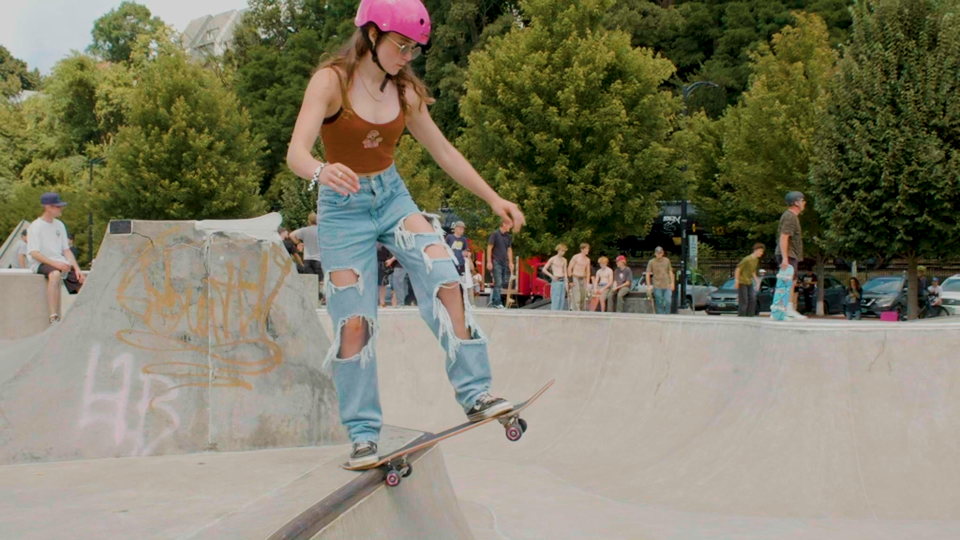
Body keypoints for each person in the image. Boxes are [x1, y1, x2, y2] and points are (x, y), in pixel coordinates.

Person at [285, 0, 524, 468]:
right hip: (342, 209)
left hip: (392, 198)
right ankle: (362, 433)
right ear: (372, 34)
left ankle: (475, 392)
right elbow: (295, 150)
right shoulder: (331, 81)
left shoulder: (406, 92)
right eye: (401, 46)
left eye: (414, 50)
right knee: (354, 322)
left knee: (444, 273)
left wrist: (494, 197)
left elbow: (444, 152)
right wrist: (320, 171)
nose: (406, 57)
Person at [27, 192, 85, 324]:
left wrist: (77, 269)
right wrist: (55, 264)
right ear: (48, 207)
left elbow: (66, 250)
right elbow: (34, 253)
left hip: (60, 261)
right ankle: (53, 315)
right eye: (58, 207)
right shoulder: (35, 227)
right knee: (54, 274)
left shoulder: (59, 225)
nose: (61, 209)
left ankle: (85, 314)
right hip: (41, 262)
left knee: (82, 282)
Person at [775, 191, 807, 320]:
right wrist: (785, 258)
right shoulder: (790, 217)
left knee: (791, 281)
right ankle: (785, 310)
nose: (804, 203)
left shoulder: (791, 216)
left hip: (790, 254)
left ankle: (783, 310)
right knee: (788, 282)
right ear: (796, 202)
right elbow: (784, 237)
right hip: (788, 254)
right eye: (802, 200)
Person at [486, 220, 513, 309]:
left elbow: (509, 250)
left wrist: (511, 262)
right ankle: (497, 302)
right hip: (496, 261)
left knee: (502, 283)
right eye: (509, 225)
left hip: (504, 262)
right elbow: (489, 248)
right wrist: (489, 261)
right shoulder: (495, 234)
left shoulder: (508, 237)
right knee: (498, 282)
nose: (510, 227)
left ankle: (493, 302)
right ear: (504, 224)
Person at [735, 243, 764, 317]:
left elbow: (753, 271)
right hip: (742, 282)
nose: (761, 253)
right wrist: (736, 281)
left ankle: (750, 316)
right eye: (760, 251)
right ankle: (741, 316)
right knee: (744, 301)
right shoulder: (747, 259)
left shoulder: (756, 260)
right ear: (755, 250)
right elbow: (738, 269)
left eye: (762, 252)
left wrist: (757, 281)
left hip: (749, 282)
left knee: (753, 298)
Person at [645, 246, 674, 314]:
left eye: (660, 253)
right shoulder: (651, 262)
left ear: (663, 253)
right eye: (658, 253)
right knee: (659, 302)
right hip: (657, 285)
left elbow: (670, 271)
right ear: (655, 253)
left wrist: (672, 283)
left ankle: (667, 315)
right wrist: (648, 286)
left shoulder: (667, 260)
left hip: (667, 284)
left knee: (668, 301)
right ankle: (660, 316)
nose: (659, 254)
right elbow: (647, 274)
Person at [540, 244, 568, 311]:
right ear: (558, 250)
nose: (563, 252)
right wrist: (552, 276)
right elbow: (544, 269)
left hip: (562, 280)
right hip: (556, 280)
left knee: (562, 299)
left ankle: (560, 313)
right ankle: (554, 312)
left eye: (564, 251)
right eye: (562, 250)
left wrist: (566, 282)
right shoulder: (553, 259)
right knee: (556, 298)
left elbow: (565, 272)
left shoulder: (564, 260)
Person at [567, 243, 591, 311]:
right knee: (577, 297)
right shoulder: (576, 257)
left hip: (583, 278)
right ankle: (576, 311)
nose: (587, 250)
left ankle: (582, 310)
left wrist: (588, 283)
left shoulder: (587, 260)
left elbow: (588, 271)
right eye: (586, 249)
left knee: (583, 296)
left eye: (588, 249)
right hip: (575, 277)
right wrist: (570, 280)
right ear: (582, 249)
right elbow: (569, 268)